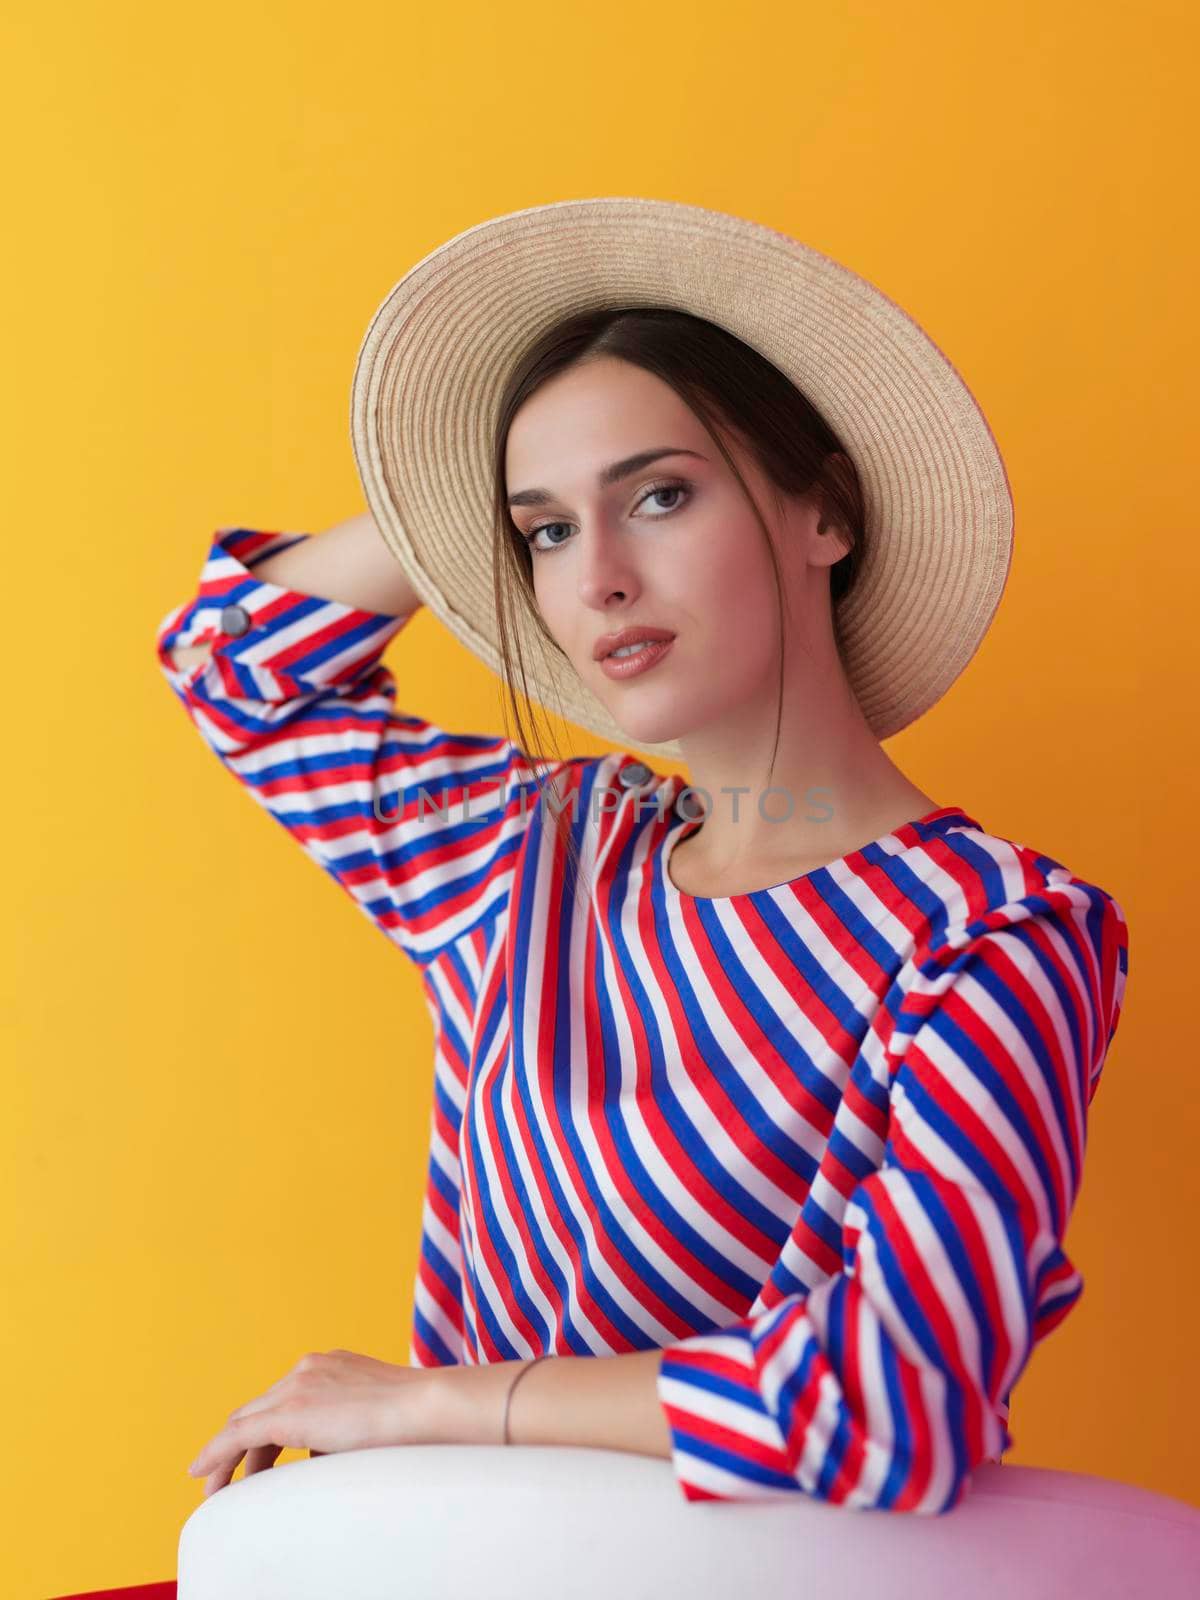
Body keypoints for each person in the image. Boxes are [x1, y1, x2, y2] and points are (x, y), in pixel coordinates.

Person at [157, 199, 1129, 1512]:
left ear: (823, 514)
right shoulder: (533, 858)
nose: (597, 577)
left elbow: (899, 1399)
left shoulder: (992, 934)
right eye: (546, 531)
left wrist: (440, 1402)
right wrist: (457, 506)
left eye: (658, 496)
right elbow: (232, 663)